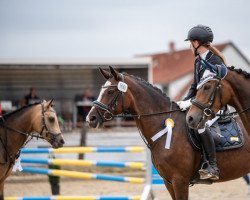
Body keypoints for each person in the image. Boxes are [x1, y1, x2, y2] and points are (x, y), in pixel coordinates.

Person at [177, 25, 227, 180]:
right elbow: (194, 87)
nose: (189, 46)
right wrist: (183, 101)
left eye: (190, 42)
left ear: (196, 43)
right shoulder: (198, 62)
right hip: (201, 104)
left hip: (215, 107)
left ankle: (212, 166)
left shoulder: (215, 61)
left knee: (200, 124)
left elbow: (208, 93)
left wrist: (190, 102)